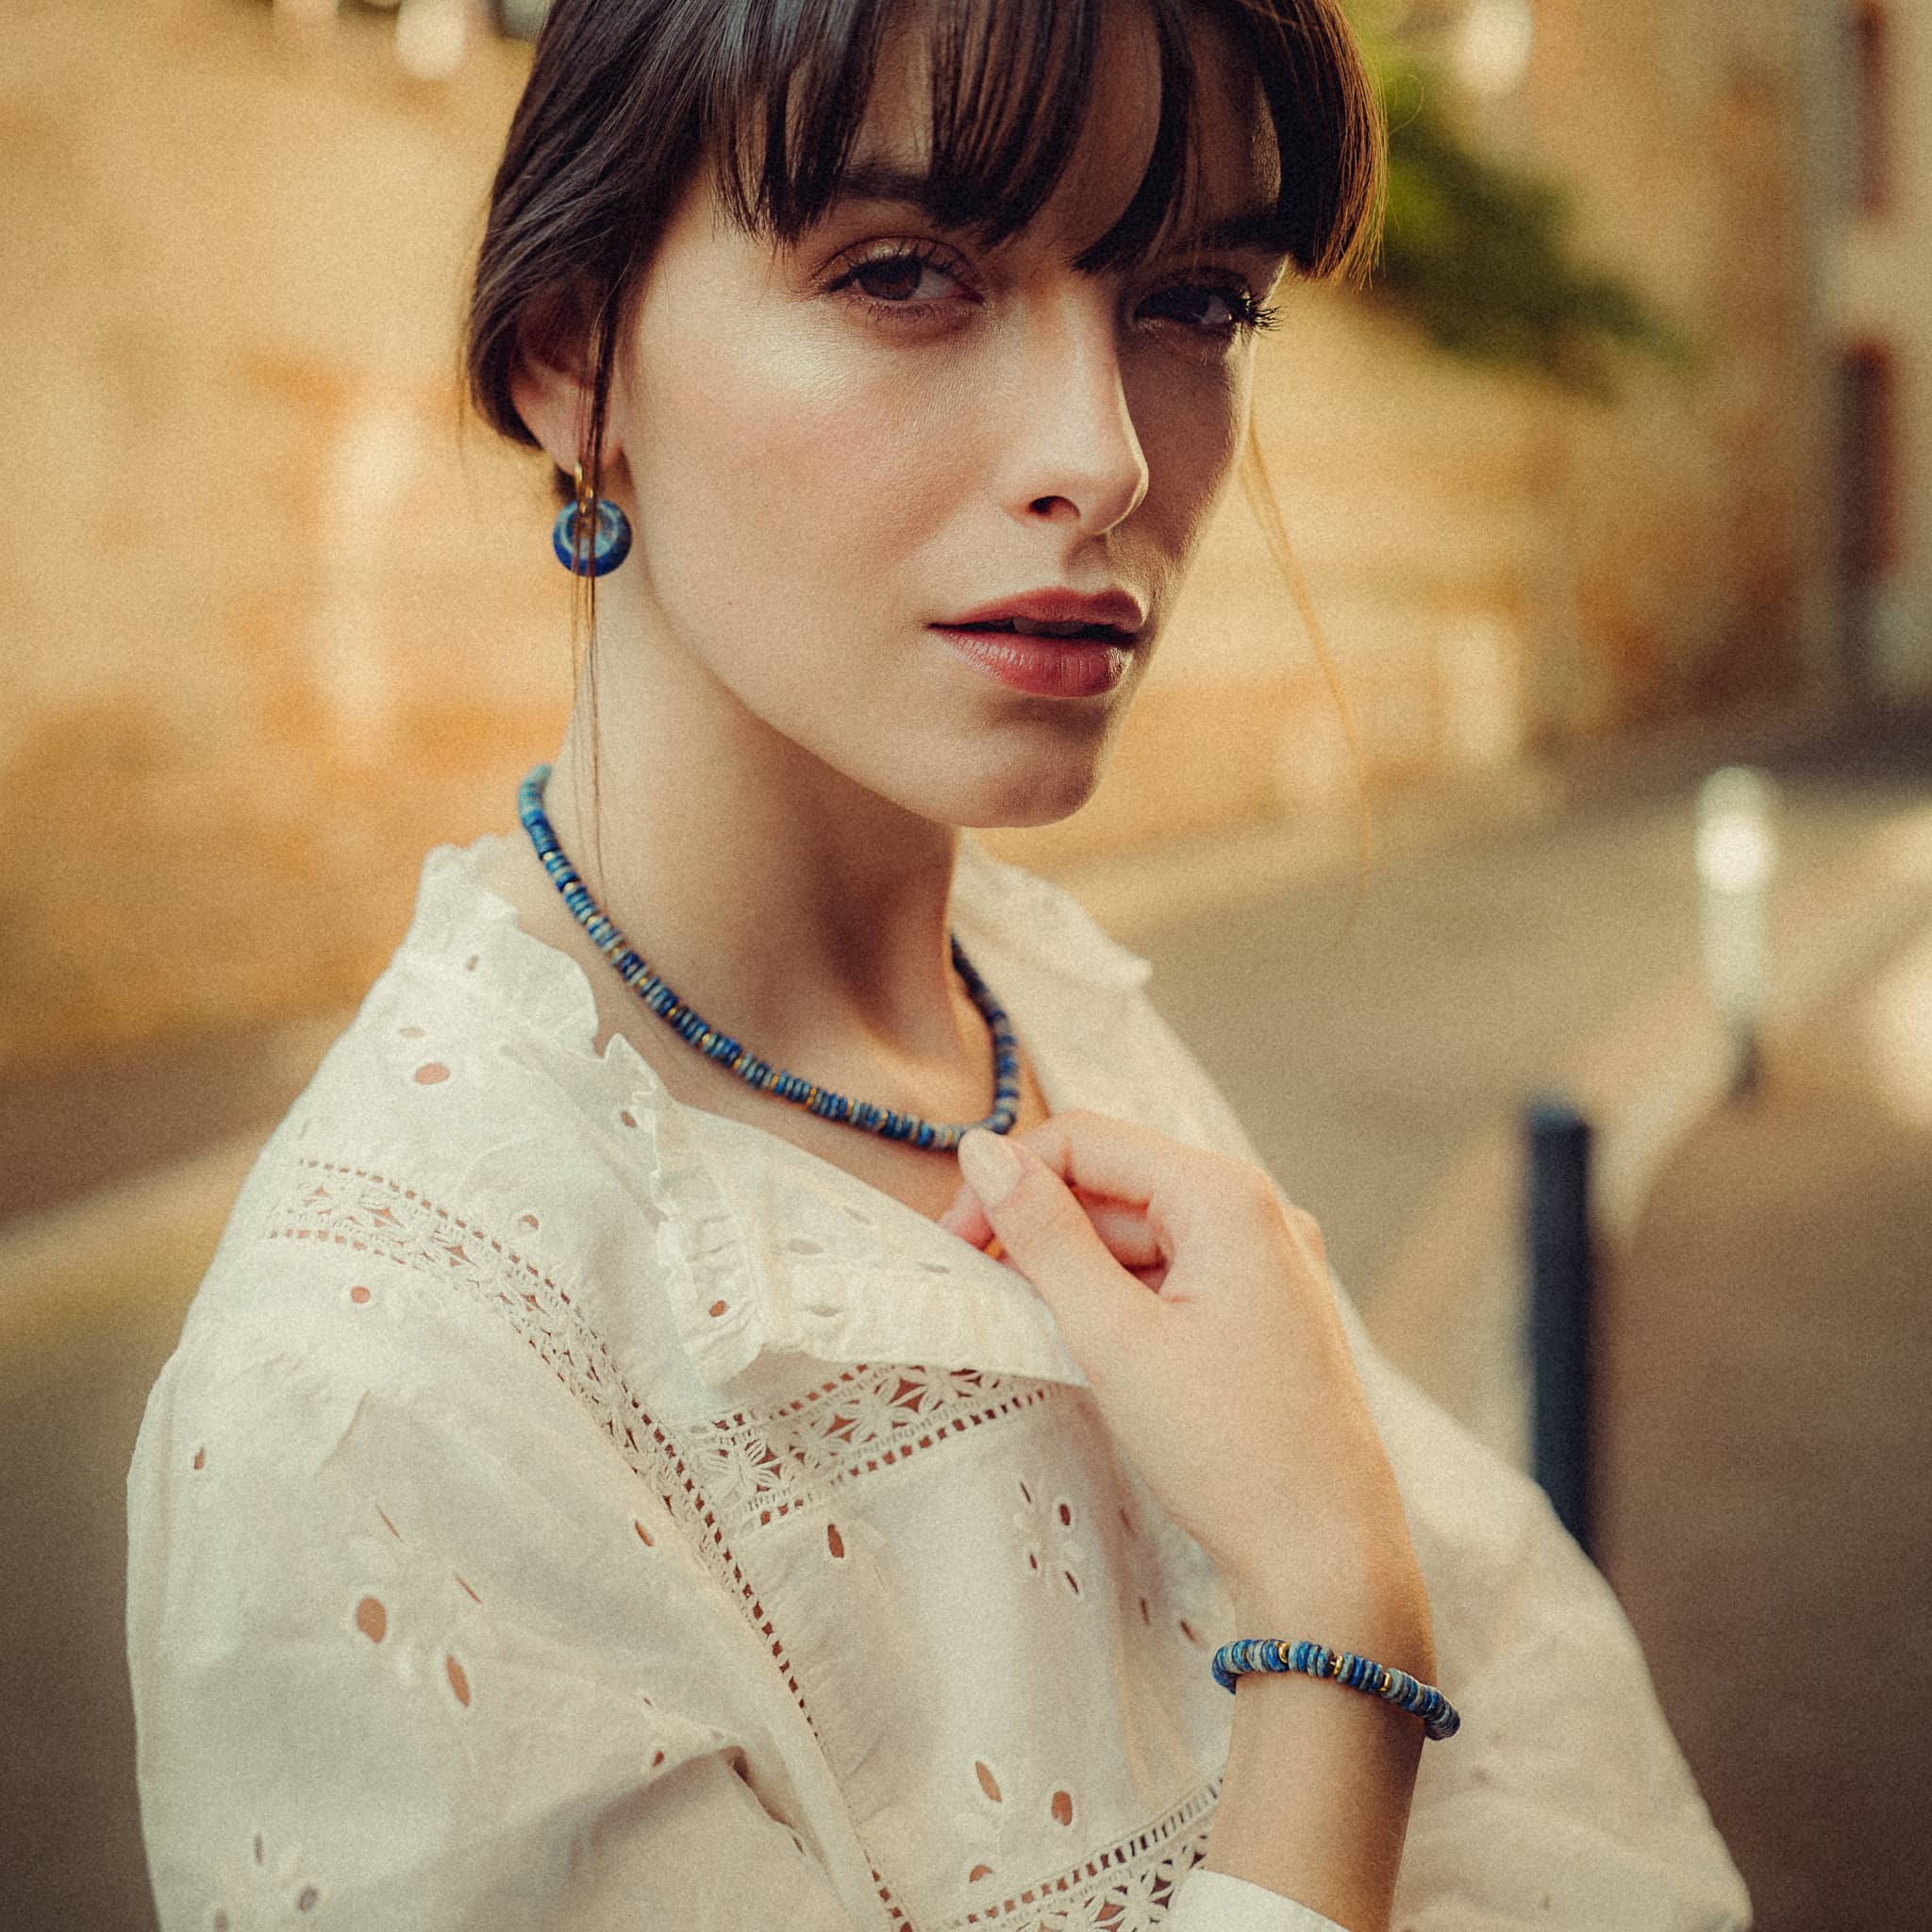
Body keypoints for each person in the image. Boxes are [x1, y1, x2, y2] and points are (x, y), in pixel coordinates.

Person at [125, 1, 1753, 1926]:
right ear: (575, 353)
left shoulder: (1043, 1014)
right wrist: (1329, 1629)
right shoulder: (382, 1390)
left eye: (1199, 301)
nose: (1106, 459)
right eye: (904, 273)